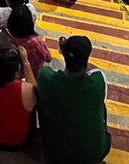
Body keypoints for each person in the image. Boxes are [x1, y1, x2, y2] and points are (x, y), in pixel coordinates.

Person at [37, 36, 111, 164]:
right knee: (101, 106)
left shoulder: (46, 78)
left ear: (62, 53)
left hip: (55, 154)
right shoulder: (99, 81)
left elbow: (45, 70)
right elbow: (95, 70)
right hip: (94, 156)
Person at [0, 45, 37, 149]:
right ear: (16, 71)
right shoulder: (26, 90)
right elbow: (34, 88)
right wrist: (25, 60)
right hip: (17, 142)